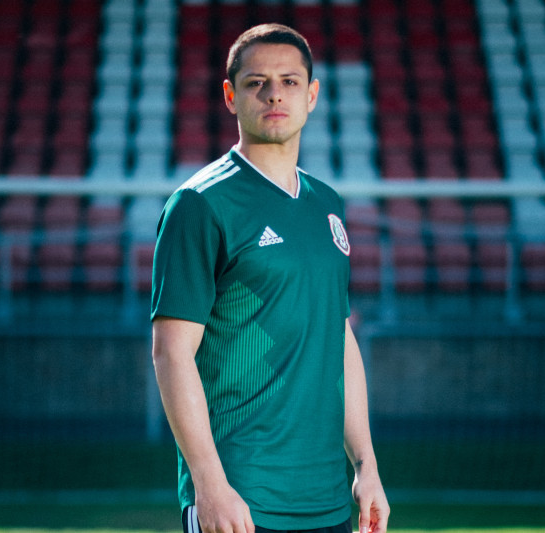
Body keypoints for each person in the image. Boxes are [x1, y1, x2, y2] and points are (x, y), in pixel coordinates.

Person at [151, 23, 389, 533]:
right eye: (257, 82)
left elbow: (338, 336)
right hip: (241, 496)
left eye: (289, 81)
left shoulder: (328, 204)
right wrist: (210, 485)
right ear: (231, 97)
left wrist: (366, 464)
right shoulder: (200, 205)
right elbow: (171, 352)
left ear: (312, 95)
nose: (274, 93)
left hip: (325, 497)